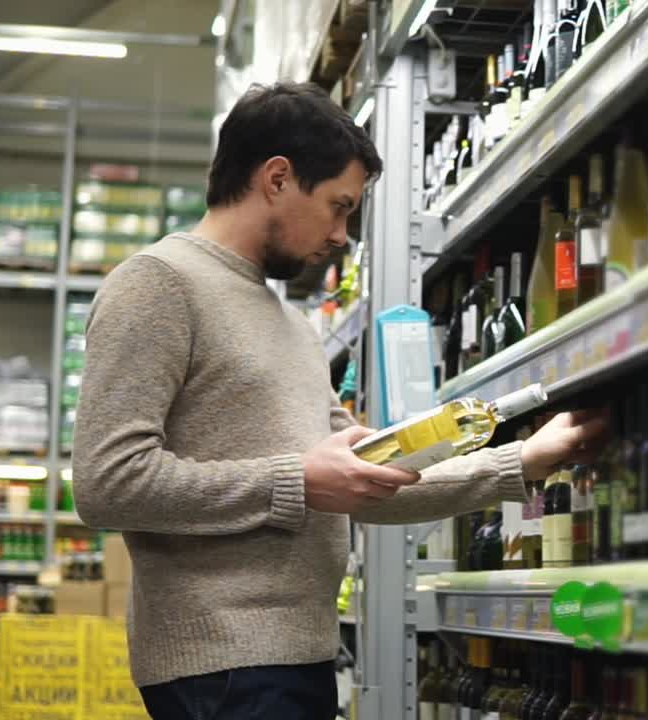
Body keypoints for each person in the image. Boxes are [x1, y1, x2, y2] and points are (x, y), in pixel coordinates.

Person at [72, 82, 606, 719]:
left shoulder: (291, 324)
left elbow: (369, 480)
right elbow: (105, 482)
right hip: (220, 668)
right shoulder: (158, 285)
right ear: (277, 178)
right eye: (337, 206)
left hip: (296, 658)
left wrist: (522, 461)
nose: (344, 234)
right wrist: (296, 479)